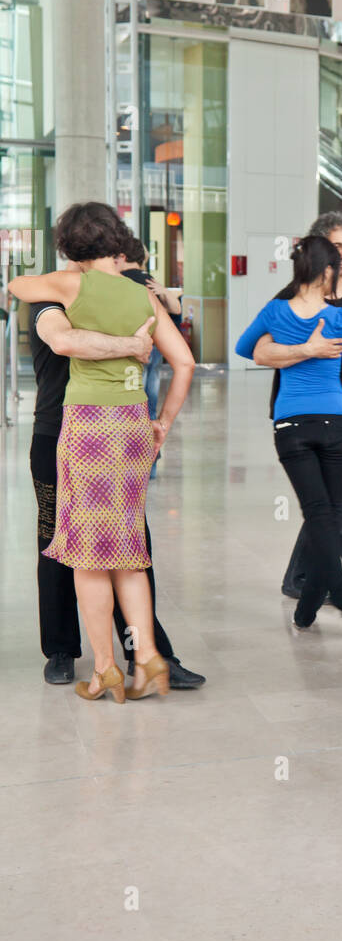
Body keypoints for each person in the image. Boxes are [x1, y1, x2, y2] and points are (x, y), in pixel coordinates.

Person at [11, 202, 195, 702]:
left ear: (68, 247)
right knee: (131, 551)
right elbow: (185, 362)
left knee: (85, 557)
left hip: (86, 427)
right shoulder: (141, 297)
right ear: (117, 242)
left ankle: (105, 670)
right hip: (136, 425)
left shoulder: (69, 287)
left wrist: (64, 271)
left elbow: (17, 287)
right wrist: (163, 423)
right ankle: (150, 657)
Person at [26, 294, 205, 690]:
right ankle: (61, 648)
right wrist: (131, 344)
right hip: (55, 434)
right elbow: (64, 340)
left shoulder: (118, 299)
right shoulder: (46, 302)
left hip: (110, 439)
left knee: (130, 545)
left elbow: (178, 350)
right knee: (54, 541)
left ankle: (148, 653)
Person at [252, 212, 342, 611]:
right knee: (340, 502)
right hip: (302, 415)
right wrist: (305, 350)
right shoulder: (290, 299)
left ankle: (299, 577)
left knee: (328, 500)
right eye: (335, 248)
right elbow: (261, 352)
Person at [235, 234, 342, 632]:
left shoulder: (275, 312)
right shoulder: (341, 319)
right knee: (328, 513)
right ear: (327, 271)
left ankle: (309, 609)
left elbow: (244, 348)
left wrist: (285, 346)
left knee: (319, 514)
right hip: (339, 425)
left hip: (291, 426)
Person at [117, 235, 183, 479]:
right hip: (154, 351)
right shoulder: (151, 282)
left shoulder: (118, 281)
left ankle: (127, 466)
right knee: (150, 408)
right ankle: (150, 468)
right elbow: (176, 313)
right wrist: (166, 293)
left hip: (128, 353)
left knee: (128, 409)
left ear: (121, 257)